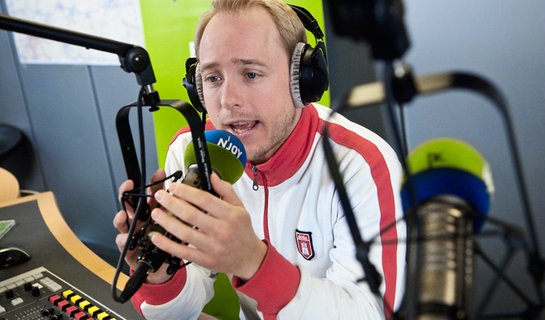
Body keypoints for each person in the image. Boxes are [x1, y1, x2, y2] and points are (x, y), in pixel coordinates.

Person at [113, 0, 406, 319]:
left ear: (302, 80)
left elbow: (369, 312)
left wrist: (255, 263)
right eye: (213, 78)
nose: (228, 101)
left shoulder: (361, 165)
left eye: (251, 74)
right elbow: (176, 312)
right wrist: (161, 272)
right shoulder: (195, 151)